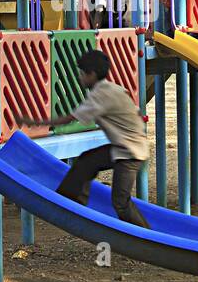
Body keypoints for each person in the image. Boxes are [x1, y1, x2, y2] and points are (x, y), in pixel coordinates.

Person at [18, 49, 150, 228]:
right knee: (86, 161)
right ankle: (72, 201)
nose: (80, 79)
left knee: (121, 202)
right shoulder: (112, 88)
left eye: (82, 75)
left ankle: (145, 235)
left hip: (130, 153)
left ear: (92, 75)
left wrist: (34, 122)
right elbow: (132, 107)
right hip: (125, 147)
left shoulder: (100, 94)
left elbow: (69, 119)